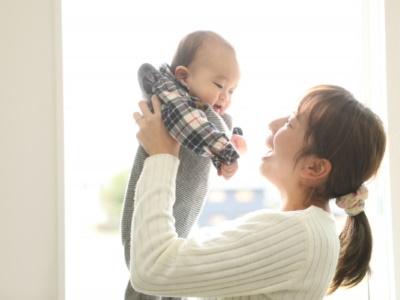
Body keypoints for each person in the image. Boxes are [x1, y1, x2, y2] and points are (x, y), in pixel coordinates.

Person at [130, 85, 386, 299]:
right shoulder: (311, 230)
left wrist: (162, 156)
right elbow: (186, 258)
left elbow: (152, 268)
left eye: (291, 122)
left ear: (314, 167)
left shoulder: (298, 234)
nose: (273, 125)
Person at [121, 31, 246, 300]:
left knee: (173, 272)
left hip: (180, 210)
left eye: (232, 90)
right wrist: (225, 152)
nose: (225, 97)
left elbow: (214, 127)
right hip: (153, 210)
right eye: (219, 85)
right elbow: (192, 126)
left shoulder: (205, 111)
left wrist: (233, 139)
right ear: (183, 76)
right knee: (146, 275)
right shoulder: (173, 99)